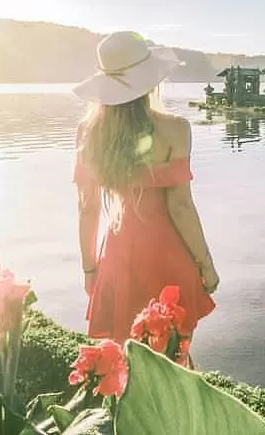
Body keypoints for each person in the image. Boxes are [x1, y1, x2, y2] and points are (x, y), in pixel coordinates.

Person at [72, 31, 219, 366]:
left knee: (127, 362)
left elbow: (87, 208)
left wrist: (90, 270)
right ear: (150, 81)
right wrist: (206, 266)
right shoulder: (176, 129)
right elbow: (180, 206)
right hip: (170, 257)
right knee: (175, 360)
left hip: (119, 258)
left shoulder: (88, 133)